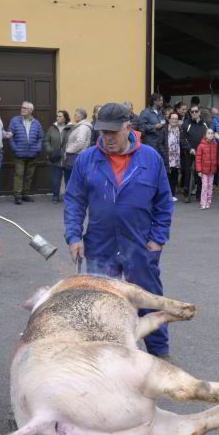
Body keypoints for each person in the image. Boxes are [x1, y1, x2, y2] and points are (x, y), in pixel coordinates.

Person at [64, 103, 174, 356]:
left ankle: (160, 352)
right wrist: (73, 236)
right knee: (102, 302)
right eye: (103, 132)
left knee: (149, 298)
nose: (107, 138)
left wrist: (157, 239)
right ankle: (108, 353)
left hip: (140, 243)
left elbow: (163, 203)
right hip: (100, 244)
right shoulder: (86, 159)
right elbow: (74, 201)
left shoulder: (150, 158)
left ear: (128, 127)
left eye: (113, 132)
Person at [7, 101, 43, 204]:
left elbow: (40, 137)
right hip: (19, 154)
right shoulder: (15, 121)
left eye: (25, 108)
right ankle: (17, 196)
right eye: (22, 107)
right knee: (19, 175)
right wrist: (15, 148)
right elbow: (10, 137)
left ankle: (25, 194)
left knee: (29, 176)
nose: (22, 109)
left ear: (31, 110)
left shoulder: (36, 123)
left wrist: (38, 148)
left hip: (33, 154)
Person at [180, 105, 210, 203]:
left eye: (196, 111)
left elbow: (208, 138)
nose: (194, 113)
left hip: (202, 153)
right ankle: (186, 194)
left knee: (200, 174)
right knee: (188, 173)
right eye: (192, 112)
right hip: (189, 153)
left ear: (199, 112)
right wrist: (190, 149)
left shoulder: (205, 124)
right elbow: (182, 139)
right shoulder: (186, 124)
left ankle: (199, 194)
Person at [45, 110, 73, 203]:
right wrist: (50, 150)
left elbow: (74, 141)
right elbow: (46, 141)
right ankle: (55, 196)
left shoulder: (71, 128)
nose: (58, 118)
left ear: (65, 118)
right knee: (55, 179)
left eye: (60, 116)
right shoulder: (52, 128)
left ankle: (68, 197)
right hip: (55, 158)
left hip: (67, 158)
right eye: (57, 116)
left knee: (68, 179)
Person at [194, 128, 219, 209]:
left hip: (212, 170)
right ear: (205, 135)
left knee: (210, 186)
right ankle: (203, 203)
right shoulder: (201, 145)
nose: (210, 135)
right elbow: (198, 159)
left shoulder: (215, 145)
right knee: (204, 186)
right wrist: (199, 170)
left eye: (212, 133)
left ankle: (208, 202)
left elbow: (217, 157)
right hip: (204, 171)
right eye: (208, 133)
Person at [65, 108, 92, 181]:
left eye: (76, 114)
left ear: (81, 116)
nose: (74, 116)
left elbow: (80, 143)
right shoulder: (80, 126)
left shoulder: (82, 127)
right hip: (76, 156)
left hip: (76, 156)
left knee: (72, 180)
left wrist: (68, 150)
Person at [138, 92, 167, 160]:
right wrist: (154, 127)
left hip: (161, 145)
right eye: (160, 100)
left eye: (162, 100)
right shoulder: (145, 112)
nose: (162, 102)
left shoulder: (161, 112)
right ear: (154, 101)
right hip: (150, 144)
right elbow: (141, 127)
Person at [166, 111, 183, 201]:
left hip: (177, 156)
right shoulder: (165, 130)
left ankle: (172, 194)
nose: (174, 120)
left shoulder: (180, 130)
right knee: (167, 175)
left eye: (176, 119)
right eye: (172, 118)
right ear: (169, 120)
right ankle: (167, 195)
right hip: (167, 156)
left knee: (174, 175)